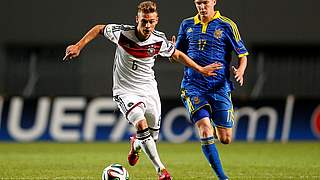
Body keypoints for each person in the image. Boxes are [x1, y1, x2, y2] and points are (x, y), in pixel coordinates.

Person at [63, 1, 222, 180]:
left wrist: (200, 69)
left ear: (156, 21)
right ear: (137, 19)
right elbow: (100, 28)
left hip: (149, 90)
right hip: (125, 90)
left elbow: (176, 54)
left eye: (151, 21)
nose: (147, 26)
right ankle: (161, 171)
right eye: (144, 21)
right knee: (141, 125)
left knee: (151, 138)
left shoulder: (159, 40)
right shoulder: (123, 33)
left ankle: (136, 144)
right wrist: (78, 45)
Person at [174, 0, 249, 179]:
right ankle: (223, 177)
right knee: (205, 129)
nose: (202, 6)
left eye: (205, 2)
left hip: (219, 87)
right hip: (193, 86)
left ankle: (214, 121)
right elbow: (177, 54)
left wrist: (240, 70)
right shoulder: (187, 24)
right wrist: (172, 53)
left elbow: (242, 54)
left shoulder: (227, 25)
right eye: (198, 3)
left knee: (225, 139)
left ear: (214, 2)